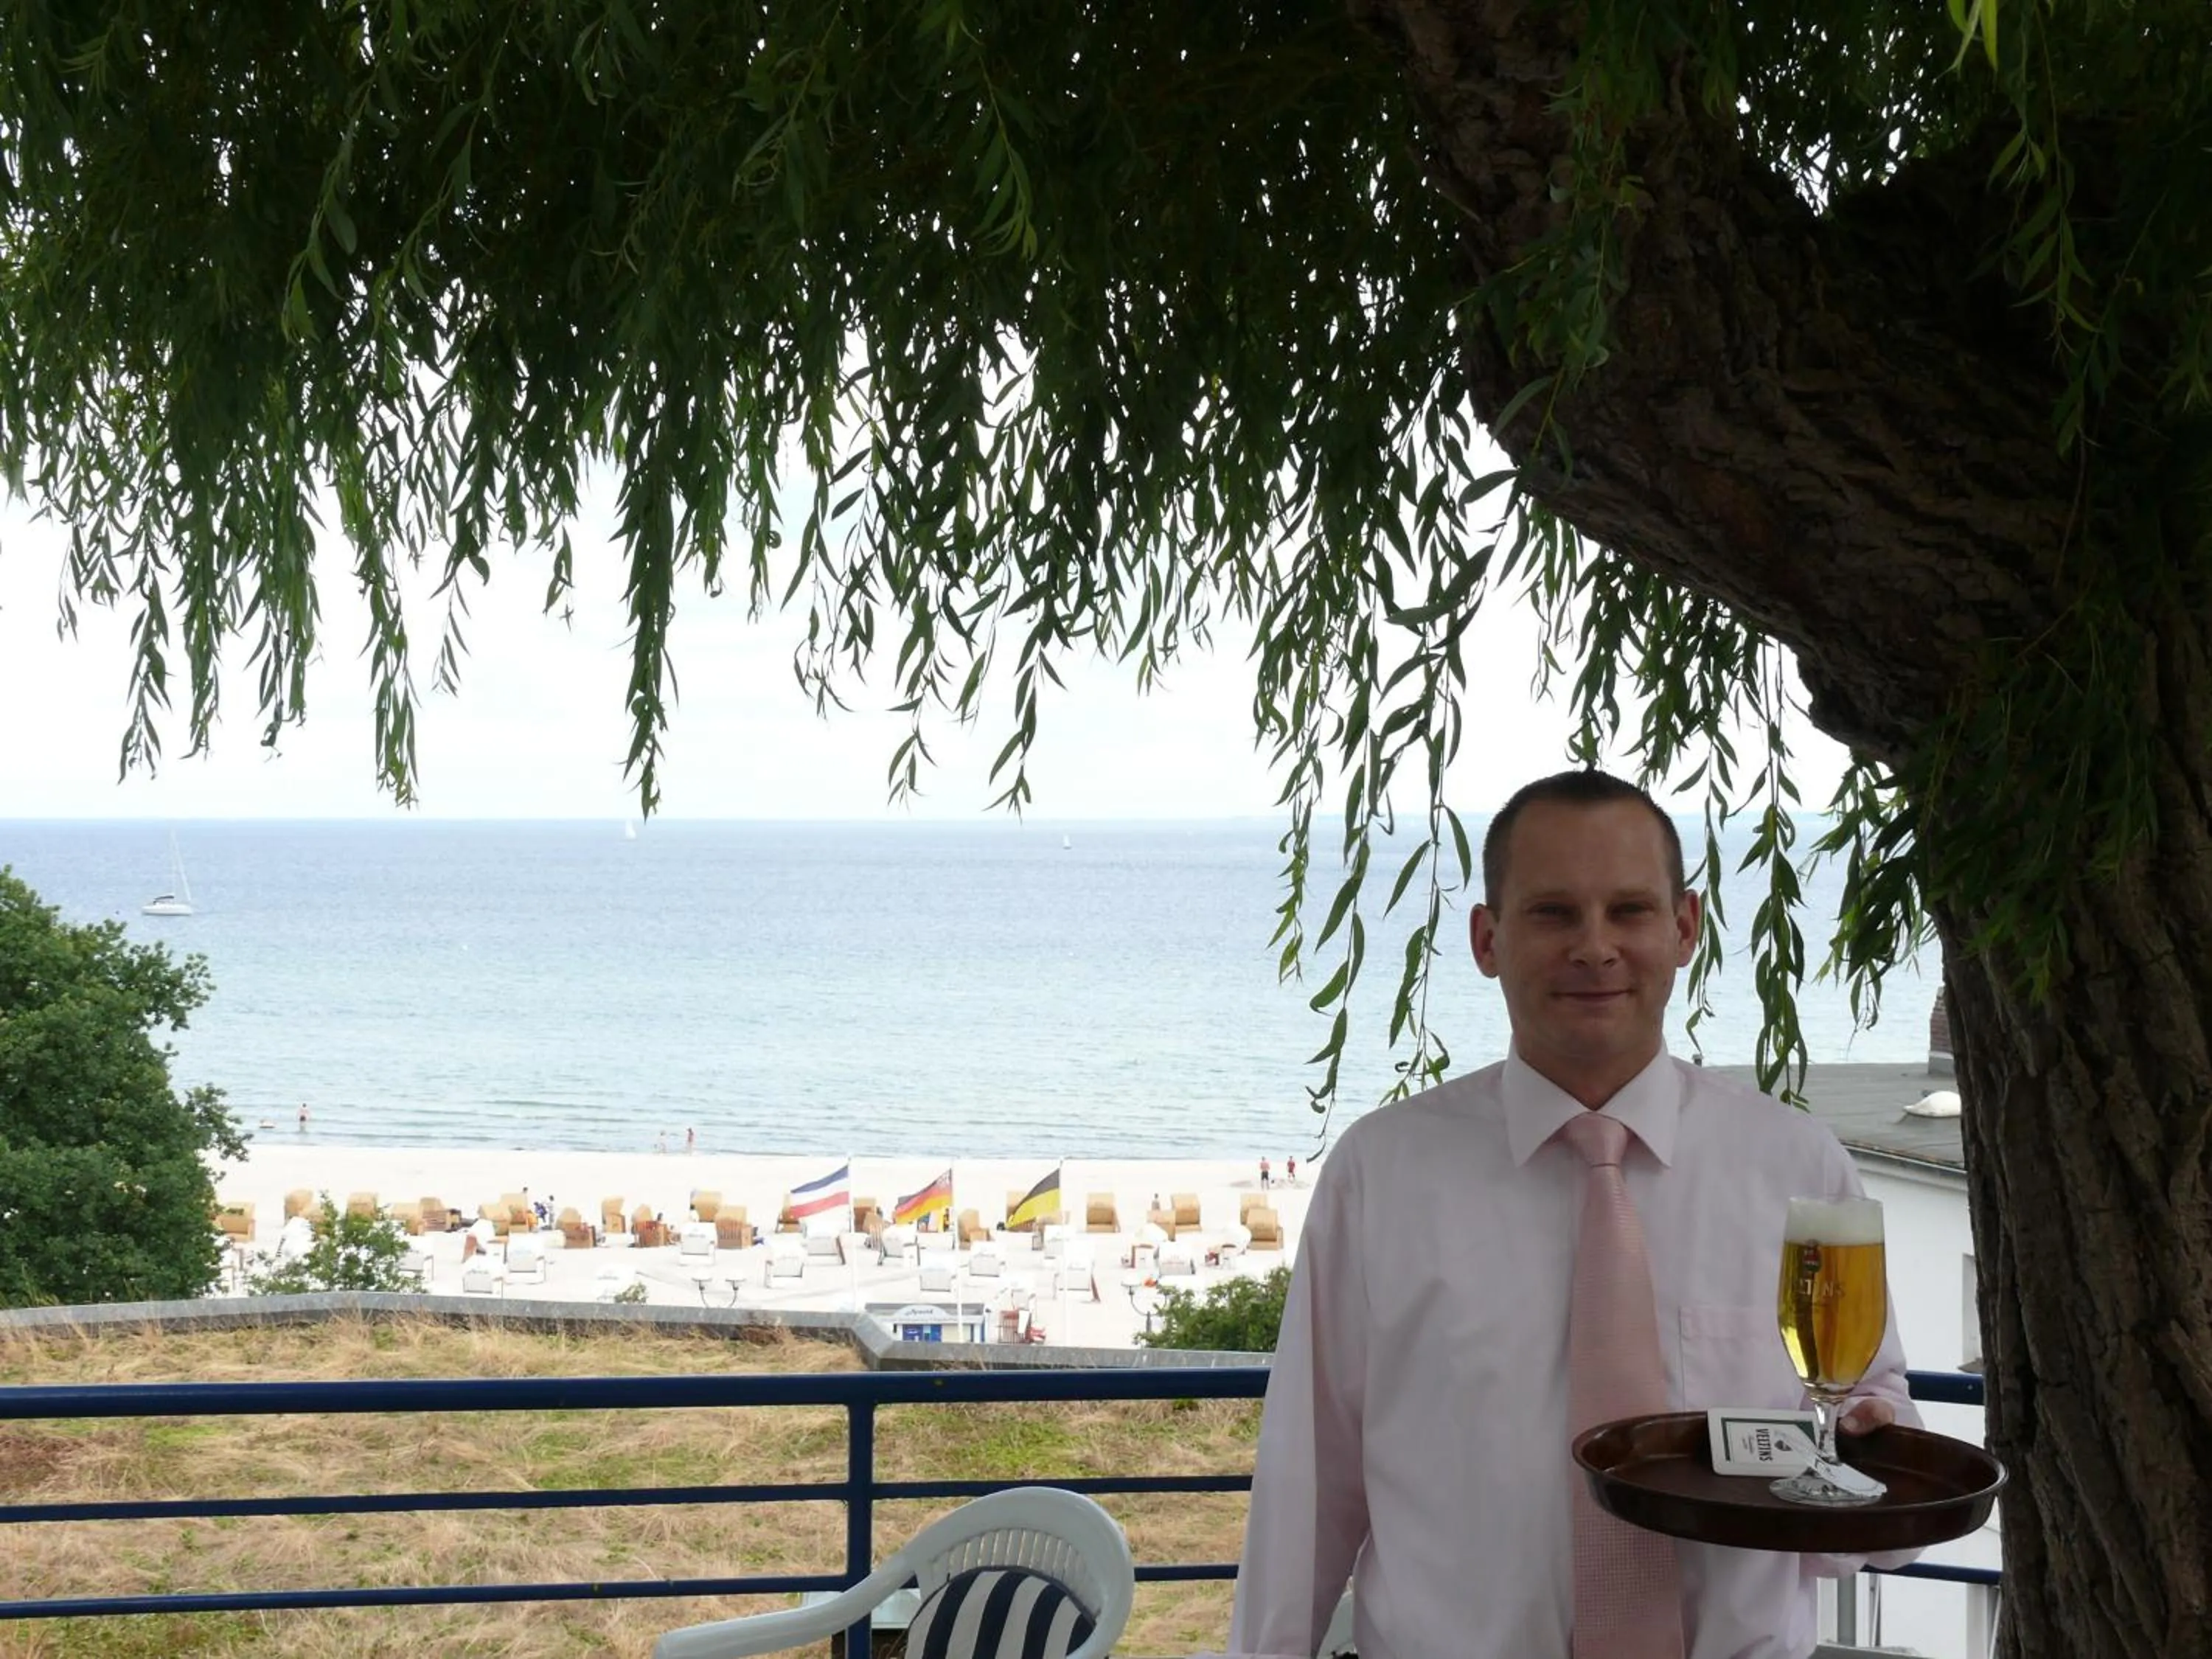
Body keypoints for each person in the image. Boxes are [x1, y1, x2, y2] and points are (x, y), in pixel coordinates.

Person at [1229, 770, 1919, 1659]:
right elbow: (1307, 1488)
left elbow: (1869, 1409)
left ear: (1684, 931)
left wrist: (1877, 1439)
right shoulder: (1381, 1173)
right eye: (1553, 913)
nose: (1595, 947)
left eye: (1629, 911)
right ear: (1487, 938)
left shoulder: (1798, 1167)